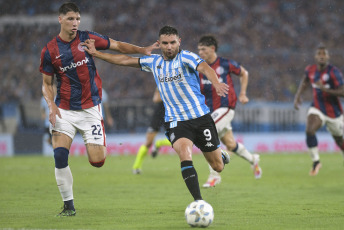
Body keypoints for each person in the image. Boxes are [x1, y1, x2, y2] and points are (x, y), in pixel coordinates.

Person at [82, 25, 230, 201]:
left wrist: (216, 82)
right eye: (165, 43)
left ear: (179, 42)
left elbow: (206, 68)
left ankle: (219, 153)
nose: (169, 47)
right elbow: (124, 60)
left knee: (218, 166)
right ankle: (199, 202)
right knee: (184, 154)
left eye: (172, 43)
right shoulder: (154, 62)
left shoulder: (187, 57)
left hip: (200, 118)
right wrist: (97, 54)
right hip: (176, 121)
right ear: (159, 44)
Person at [39, 2, 158, 217]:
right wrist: (51, 105)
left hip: (90, 109)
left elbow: (118, 46)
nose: (75, 23)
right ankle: (68, 206)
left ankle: (99, 140)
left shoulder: (87, 38)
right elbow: (47, 84)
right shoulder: (49, 51)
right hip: (64, 109)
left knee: (97, 161)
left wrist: (142, 50)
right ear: (60, 19)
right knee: (59, 155)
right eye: (70, 19)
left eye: (77, 19)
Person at [197, 35, 262, 188]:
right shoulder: (200, 67)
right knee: (231, 144)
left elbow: (244, 73)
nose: (200, 52)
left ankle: (214, 176)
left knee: (207, 132)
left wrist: (243, 93)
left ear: (212, 49)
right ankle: (254, 159)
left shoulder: (225, 64)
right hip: (210, 110)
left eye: (203, 49)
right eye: (199, 49)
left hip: (225, 107)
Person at [294, 44, 344, 176]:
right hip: (317, 108)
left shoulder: (334, 72)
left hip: (334, 113)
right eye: (319, 54)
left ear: (328, 57)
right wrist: (298, 96)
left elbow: (343, 91)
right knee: (310, 129)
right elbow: (305, 81)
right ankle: (316, 161)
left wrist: (326, 90)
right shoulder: (310, 70)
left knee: (340, 141)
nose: (321, 56)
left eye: (324, 54)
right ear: (316, 57)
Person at [132, 88, 171, 174]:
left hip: (171, 114)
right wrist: (169, 95)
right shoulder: (161, 83)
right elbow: (155, 99)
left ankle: (158, 143)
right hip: (159, 114)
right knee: (148, 142)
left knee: (175, 139)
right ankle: (136, 167)